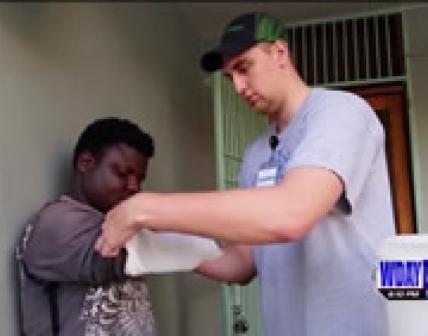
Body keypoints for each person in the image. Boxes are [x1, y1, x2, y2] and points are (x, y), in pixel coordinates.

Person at [97, 12, 395, 336]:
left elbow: (291, 213)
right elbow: (241, 263)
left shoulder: (339, 113)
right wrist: (158, 245)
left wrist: (145, 209)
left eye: (243, 68)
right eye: (230, 78)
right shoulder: (256, 155)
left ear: (279, 53)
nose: (238, 87)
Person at [17, 117, 157, 335]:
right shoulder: (56, 222)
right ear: (85, 163)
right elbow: (109, 259)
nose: (134, 187)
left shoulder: (114, 221)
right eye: (122, 173)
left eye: (140, 178)